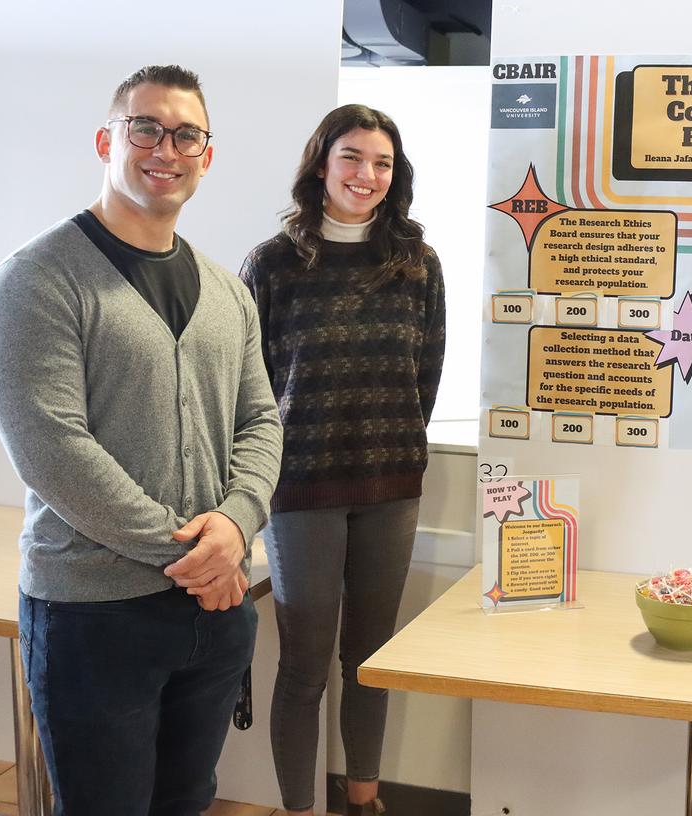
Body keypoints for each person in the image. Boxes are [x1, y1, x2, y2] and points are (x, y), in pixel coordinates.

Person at [0, 65, 283, 815]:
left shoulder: (228, 292)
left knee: (186, 801)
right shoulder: (38, 278)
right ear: (106, 141)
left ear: (206, 157)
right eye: (145, 128)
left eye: (187, 135)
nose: (166, 148)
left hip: (213, 614)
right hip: (95, 615)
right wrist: (197, 557)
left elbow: (260, 419)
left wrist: (236, 523)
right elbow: (52, 448)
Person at [240, 104, 445, 816]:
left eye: (382, 162)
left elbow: (426, 373)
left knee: (370, 661)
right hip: (299, 490)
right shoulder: (272, 264)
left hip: (392, 486)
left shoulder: (417, 263)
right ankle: (300, 810)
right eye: (352, 157)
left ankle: (364, 802)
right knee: (303, 669)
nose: (366, 174)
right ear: (322, 164)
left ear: (396, 174)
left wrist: (392, 442)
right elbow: (249, 388)